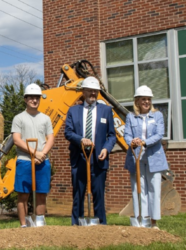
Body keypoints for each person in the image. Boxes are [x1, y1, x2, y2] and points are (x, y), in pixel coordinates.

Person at [64, 76, 116, 225]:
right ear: (83, 91)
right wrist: (81, 139)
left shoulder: (106, 110)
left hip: (99, 158)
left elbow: (112, 135)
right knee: (78, 195)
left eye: (96, 91)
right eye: (90, 91)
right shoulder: (73, 110)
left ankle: (101, 225)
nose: (93, 93)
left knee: (99, 195)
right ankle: (76, 225)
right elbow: (68, 132)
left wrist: (106, 148)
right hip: (80, 158)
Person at [124, 85, 168, 230]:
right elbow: (127, 134)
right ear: (137, 101)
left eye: (148, 99)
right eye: (143, 99)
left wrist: (144, 142)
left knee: (154, 189)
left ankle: (153, 221)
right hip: (136, 156)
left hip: (154, 156)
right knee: (139, 188)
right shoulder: (131, 116)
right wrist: (132, 141)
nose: (147, 102)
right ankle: (141, 219)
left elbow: (159, 134)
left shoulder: (158, 115)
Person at [11, 83, 54, 228]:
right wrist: (35, 153)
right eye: (31, 97)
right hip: (24, 161)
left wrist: (43, 154)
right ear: (25, 99)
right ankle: (24, 225)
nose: (34, 100)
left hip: (43, 161)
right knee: (23, 195)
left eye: (37, 98)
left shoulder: (46, 118)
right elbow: (17, 140)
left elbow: (51, 138)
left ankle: (39, 223)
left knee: (41, 194)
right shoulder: (19, 118)